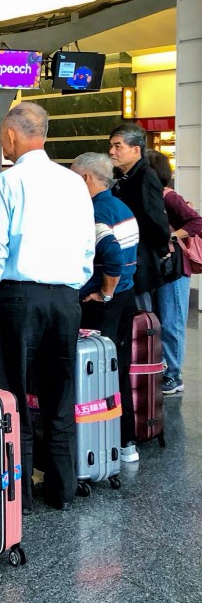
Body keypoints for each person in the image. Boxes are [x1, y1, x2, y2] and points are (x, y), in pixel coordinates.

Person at [0, 102, 95, 512]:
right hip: (65, 298)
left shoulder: (8, 183)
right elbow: (86, 246)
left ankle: (18, 496)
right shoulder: (74, 182)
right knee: (60, 394)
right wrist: (71, 287)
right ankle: (63, 490)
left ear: (10, 135)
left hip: (17, 298)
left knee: (14, 396)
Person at [70, 152, 140, 462]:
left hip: (107, 304)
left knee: (97, 374)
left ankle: (98, 446)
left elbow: (111, 254)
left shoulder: (95, 211)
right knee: (117, 369)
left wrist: (104, 293)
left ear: (86, 178)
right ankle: (125, 442)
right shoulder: (120, 206)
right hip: (127, 296)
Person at [147, 150, 202, 396]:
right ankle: (165, 368)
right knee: (160, 319)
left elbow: (196, 222)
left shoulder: (168, 197)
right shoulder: (149, 196)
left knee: (172, 321)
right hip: (158, 266)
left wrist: (170, 235)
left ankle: (174, 375)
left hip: (175, 267)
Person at [109, 122, 170, 310]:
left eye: (117, 146)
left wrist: (157, 251)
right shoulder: (127, 177)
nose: (111, 151)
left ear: (135, 150)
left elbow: (156, 221)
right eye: (111, 146)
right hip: (131, 260)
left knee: (139, 321)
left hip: (140, 263)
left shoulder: (145, 177)